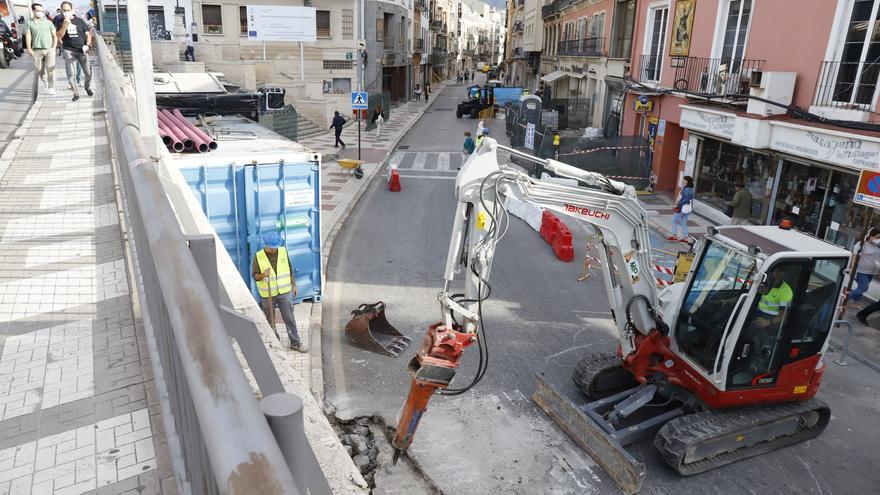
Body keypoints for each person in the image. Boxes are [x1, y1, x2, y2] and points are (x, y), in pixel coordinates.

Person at [253, 231, 306, 352]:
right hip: (268, 294)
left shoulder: (283, 251)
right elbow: (255, 276)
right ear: (266, 246)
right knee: (270, 320)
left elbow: (290, 269)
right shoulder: (258, 256)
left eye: (276, 246)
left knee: (289, 319)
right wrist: (262, 275)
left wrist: (294, 285)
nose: (275, 249)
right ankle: (275, 344)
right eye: (272, 247)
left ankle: (295, 343)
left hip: (284, 292)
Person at [55, 1, 92, 101]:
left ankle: (87, 87)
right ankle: (76, 94)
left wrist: (87, 45)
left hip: (82, 50)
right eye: (64, 10)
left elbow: (88, 35)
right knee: (72, 74)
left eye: (68, 10)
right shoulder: (60, 21)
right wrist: (64, 25)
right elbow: (59, 36)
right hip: (68, 50)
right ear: (61, 11)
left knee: (88, 73)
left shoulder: (80, 21)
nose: (66, 12)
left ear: (72, 10)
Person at [26, 3, 57, 95]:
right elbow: (28, 35)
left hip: (49, 49)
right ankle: (45, 80)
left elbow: (54, 36)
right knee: (39, 69)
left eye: (41, 10)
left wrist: (54, 47)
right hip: (36, 50)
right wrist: (29, 49)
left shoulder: (48, 22)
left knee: (51, 69)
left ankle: (52, 87)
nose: (40, 12)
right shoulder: (29, 22)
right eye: (38, 10)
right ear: (33, 11)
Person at [848, 228, 880, 304]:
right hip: (861, 271)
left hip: (872, 272)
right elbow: (854, 257)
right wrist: (851, 268)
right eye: (877, 237)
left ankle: (855, 302)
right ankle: (844, 299)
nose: (878, 239)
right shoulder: (862, 244)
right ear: (871, 236)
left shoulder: (877, 246)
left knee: (860, 288)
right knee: (863, 288)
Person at [668, 176, 694, 243]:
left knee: (673, 221)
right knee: (683, 223)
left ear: (687, 181)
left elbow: (686, 199)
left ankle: (674, 236)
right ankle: (686, 238)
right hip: (686, 209)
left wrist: (679, 204)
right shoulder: (689, 188)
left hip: (682, 208)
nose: (683, 181)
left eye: (684, 180)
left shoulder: (687, 189)